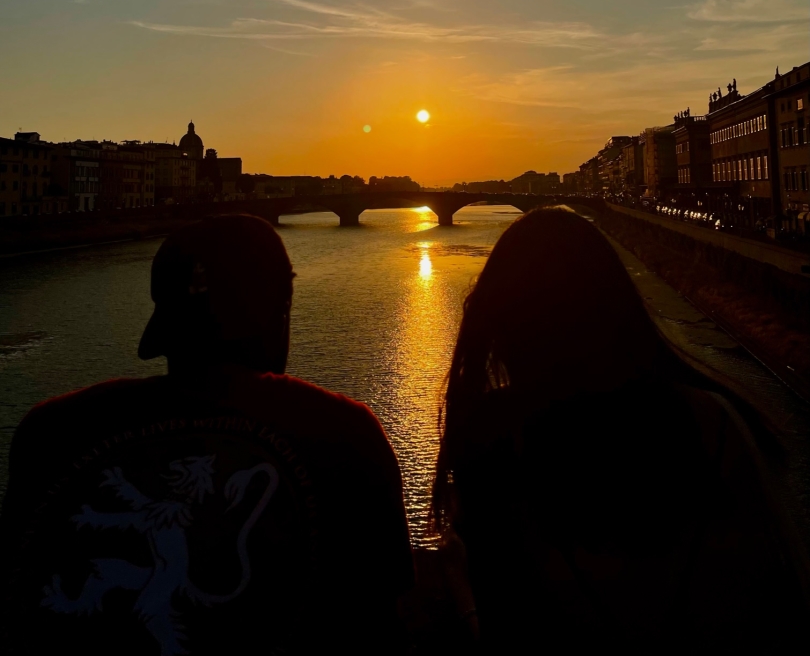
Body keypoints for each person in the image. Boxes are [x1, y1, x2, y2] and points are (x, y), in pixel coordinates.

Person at [1, 214, 413, 654]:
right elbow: (384, 618)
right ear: (281, 313)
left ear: (163, 325)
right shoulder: (344, 434)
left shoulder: (51, 431)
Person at [432, 207, 808, 652]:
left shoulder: (494, 442)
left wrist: (461, 591)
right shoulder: (716, 422)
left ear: (504, 325)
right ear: (620, 304)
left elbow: (507, 637)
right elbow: (774, 599)